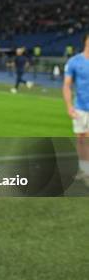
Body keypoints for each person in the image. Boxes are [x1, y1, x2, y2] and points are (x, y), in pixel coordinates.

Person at [63, 33, 89, 184]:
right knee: (80, 138)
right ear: (85, 42)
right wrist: (69, 106)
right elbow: (67, 85)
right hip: (79, 106)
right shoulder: (74, 61)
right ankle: (84, 168)